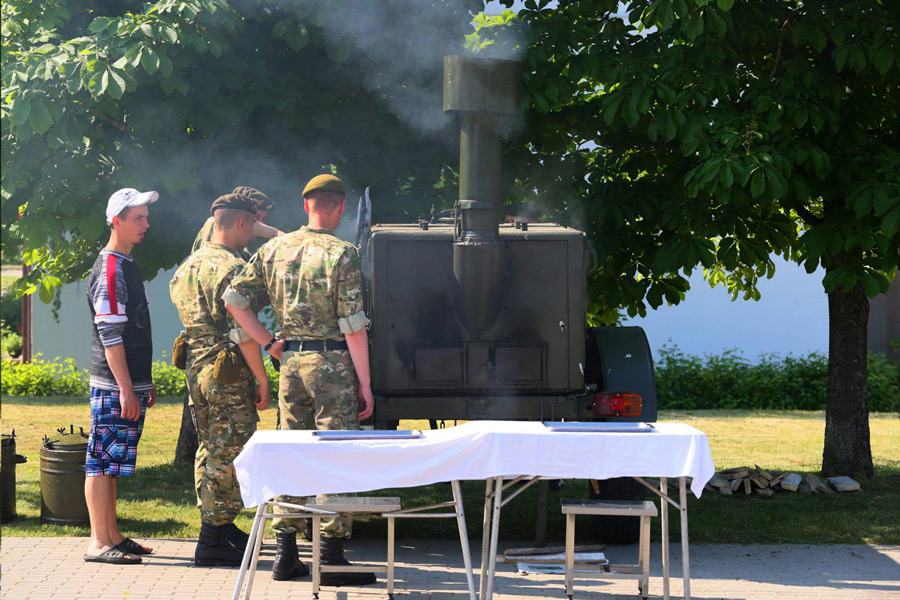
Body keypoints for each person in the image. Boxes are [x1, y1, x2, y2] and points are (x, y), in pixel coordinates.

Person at [223, 174, 375, 585]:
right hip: (333, 365)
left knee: (292, 452)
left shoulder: (274, 248)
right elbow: (353, 326)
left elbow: (234, 300)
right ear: (340, 208)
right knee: (336, 453)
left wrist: (269, 342)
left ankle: (285, 554)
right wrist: (365, 384)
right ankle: (331, 556)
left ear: (304, 205)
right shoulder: (343, 253)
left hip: (291, 365)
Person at [169, 194, 272, 566]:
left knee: (210, 446)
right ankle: (211, 539)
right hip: (225, 371)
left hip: (196, 368)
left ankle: (218, 525)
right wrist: (262, 378)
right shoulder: (231, 268)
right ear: (242, 223)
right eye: (252, 225)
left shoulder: (188, 264)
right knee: (229, 449)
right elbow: (241, 330)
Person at [83, 188, 160, 565]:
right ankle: (98, 542)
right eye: (138, 219)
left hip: (127, 385)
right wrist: (128, 389)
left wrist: (142, 384)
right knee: (101, 461)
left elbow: (134, 329)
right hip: (114, 386)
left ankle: (113, 534)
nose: (146, 224)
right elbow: (110, 334)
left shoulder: (126, 264)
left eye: (146, 217)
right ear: (117, 221)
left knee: (112, 464)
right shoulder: (111, 268)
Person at [191, 186, 283, 257]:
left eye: (264, 218)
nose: (261, 223)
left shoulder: (241, 249)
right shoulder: (216, 223)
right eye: (256, 217)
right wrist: (277, 234)